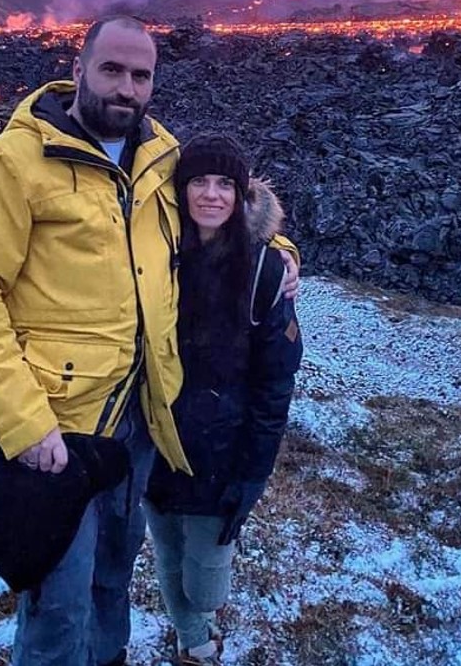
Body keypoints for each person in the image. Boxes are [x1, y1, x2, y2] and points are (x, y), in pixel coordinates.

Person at [0, 16, 299, 666]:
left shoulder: (160, 157)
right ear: (78, 69)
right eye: (111, 70)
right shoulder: (11, 164)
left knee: (112, 576)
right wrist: (23, 422)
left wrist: (280, 254)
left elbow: (221, 214)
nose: (126, 87)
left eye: (141, 75)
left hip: (138, 423)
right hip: (56, 431)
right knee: (59, 602)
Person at [143, 136, 302, 665]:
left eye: (224, 184)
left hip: (222, 455)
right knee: (167, 552)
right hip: (155, 439)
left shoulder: (263, 271)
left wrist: (253, 474)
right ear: (180, 190)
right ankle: (196, 644)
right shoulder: (154, 255)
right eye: (198, 182)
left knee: (206, 576)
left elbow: (274, 385)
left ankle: (201, 621)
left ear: (242, 194)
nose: (211, 195)